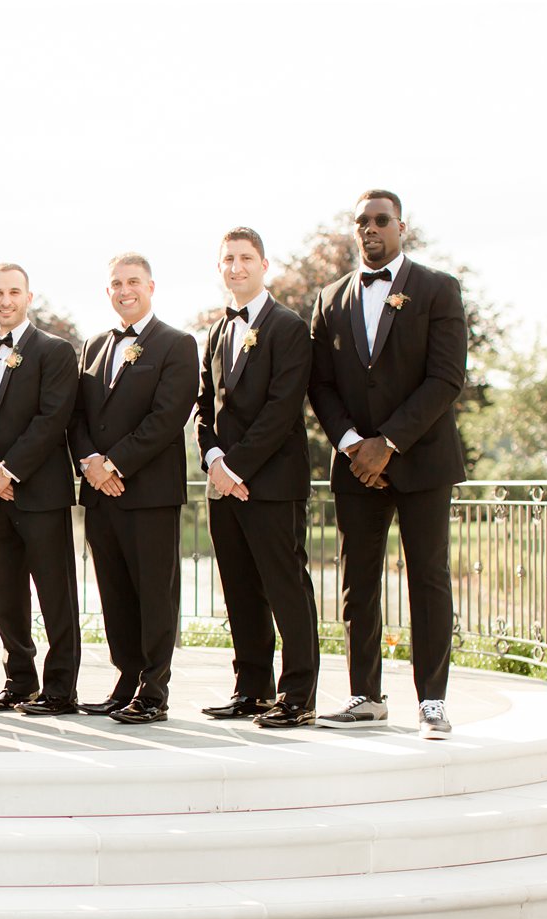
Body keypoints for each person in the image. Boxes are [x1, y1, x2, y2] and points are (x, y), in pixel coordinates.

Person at [308, 190, 467, 740]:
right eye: (362, 222)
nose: (371, 229)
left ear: (401, 227)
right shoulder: (330, 298)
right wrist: (355, 445)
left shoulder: (437, 288)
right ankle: (365, 695)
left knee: (427, 578)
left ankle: (432, 702)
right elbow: (320, 384)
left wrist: (389, 443)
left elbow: (447, 378)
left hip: (422, 462)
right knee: (358, 583)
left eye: (381, 220)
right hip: (355, 467)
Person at [195, 228, 320, 729]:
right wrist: (214, 461)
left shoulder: (289, 327)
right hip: (224, 485)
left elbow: (281, 411)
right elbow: (203, 407)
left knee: (286, 588)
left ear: (264, 265)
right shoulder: (217, 330)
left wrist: (236, 468)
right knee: (241, 590)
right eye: (227, 259)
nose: (236, 267)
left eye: (245, 258)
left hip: (271, 485)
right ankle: (251, 689)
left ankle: (298, 695)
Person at [70, 253, 198, 724]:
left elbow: (167, 418)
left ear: (151, 286)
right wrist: (92, 465)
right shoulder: (93, 346)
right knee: (115, 592)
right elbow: (79, 416)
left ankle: (154, 689)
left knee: (153, 593)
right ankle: (126, 678)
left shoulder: (177, 344)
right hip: (101, 492)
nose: (125, 290)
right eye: (117, 283)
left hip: (149, 492)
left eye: (134, 282)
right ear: (108, 291)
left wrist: (116, 462)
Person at [0, 263, 82, 715]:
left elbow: (52, 420)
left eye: (14, 292)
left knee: (56, 594)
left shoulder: (54, 352)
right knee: (5, 595)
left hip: (41, 495)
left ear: (28, 297)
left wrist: (10, 471)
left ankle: (60, 688)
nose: (5, 301)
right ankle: (18, 680)